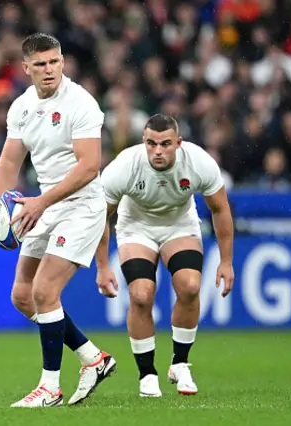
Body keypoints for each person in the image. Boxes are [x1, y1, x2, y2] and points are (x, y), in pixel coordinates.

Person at [0, 33, 116, 408]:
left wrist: (39, 203)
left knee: (46, 292)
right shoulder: (22, 107)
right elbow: (9, 162)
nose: (49, 70)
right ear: (25, 68)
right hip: (44, 204)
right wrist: (1, 204)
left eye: (55, 62)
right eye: (41, 64)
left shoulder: (81, 103)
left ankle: (49, 389)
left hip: (81, 205)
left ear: (63, 62)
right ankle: (94, 358)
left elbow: (90, 166)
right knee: (23, 296)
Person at [95, 114, 235, 397]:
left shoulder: (198, 162)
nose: (157, 151)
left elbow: (220, 209)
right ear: (143, 141)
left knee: (191, 286)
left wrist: (226, 261)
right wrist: (101, 267)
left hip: (179, 225)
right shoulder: (124, 165)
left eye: (165, 144)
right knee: (141, 295)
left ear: (179, 143)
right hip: (136, 228)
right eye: (151, 143)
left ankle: (180, 364)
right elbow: (99, 217)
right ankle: (147, 374)